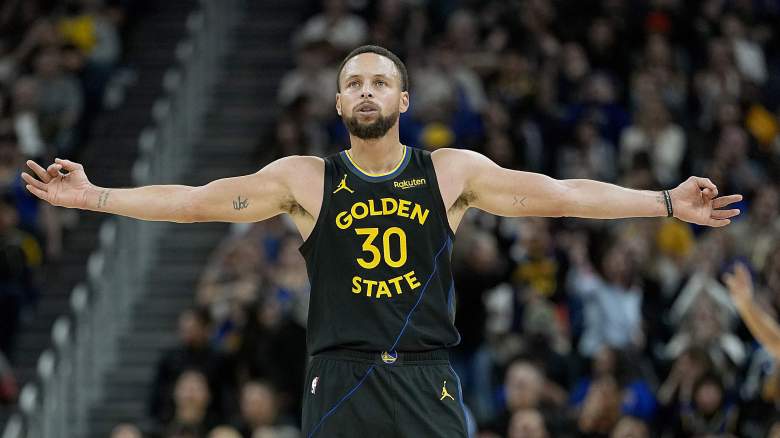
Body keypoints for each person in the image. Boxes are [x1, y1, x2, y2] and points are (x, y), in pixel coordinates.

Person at [20, 44, 743, 437]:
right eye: (353, 82)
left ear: (403, 101)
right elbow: (197, 205)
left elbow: (561, 196)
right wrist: (94, 196)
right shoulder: (304, 179)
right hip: (338, 380)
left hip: (425, 375)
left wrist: (666, 205)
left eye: (379, 81)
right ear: (339, 104)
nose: (365, 91)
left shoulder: (450, 171)